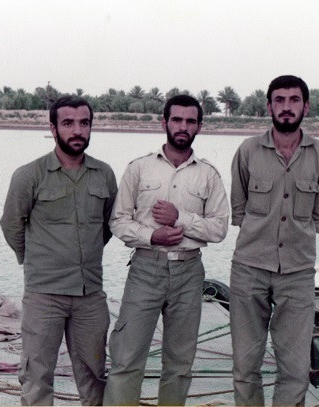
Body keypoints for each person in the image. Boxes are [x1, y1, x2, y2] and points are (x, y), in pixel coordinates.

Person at [103, 95, 229, 406]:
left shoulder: (208, 174)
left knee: (180, 364)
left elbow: (219, 228)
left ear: (199, 126)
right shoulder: (139, 168)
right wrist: (152, 235)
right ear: (164, 122)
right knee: (126, 358)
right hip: (145, 269)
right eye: (177, 120)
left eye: (190, 121)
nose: (183, 127)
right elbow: (118, 221)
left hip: (189, 272)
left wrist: (180, 219)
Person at [0, 95, 117, 406]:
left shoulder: (104, 174)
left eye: (84, 123)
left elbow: (107, 226)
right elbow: (11, 225)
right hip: (44, 295)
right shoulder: (30, 175)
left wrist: (83, 257)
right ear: (53, 128)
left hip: (90, 295)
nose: (77, 130)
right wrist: (36, 261)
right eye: (68, 123)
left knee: (95, 374)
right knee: (37, 375)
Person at [229, 75, 319, 406]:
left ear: (306, 106)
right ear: (269, 106)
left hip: (298, 273)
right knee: (246, 366)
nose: (286, 107)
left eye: (294, 100)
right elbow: (239, 209)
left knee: (296, 369)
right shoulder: (248, 150)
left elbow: (318, 215)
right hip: (249, 270)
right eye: (279, 100)